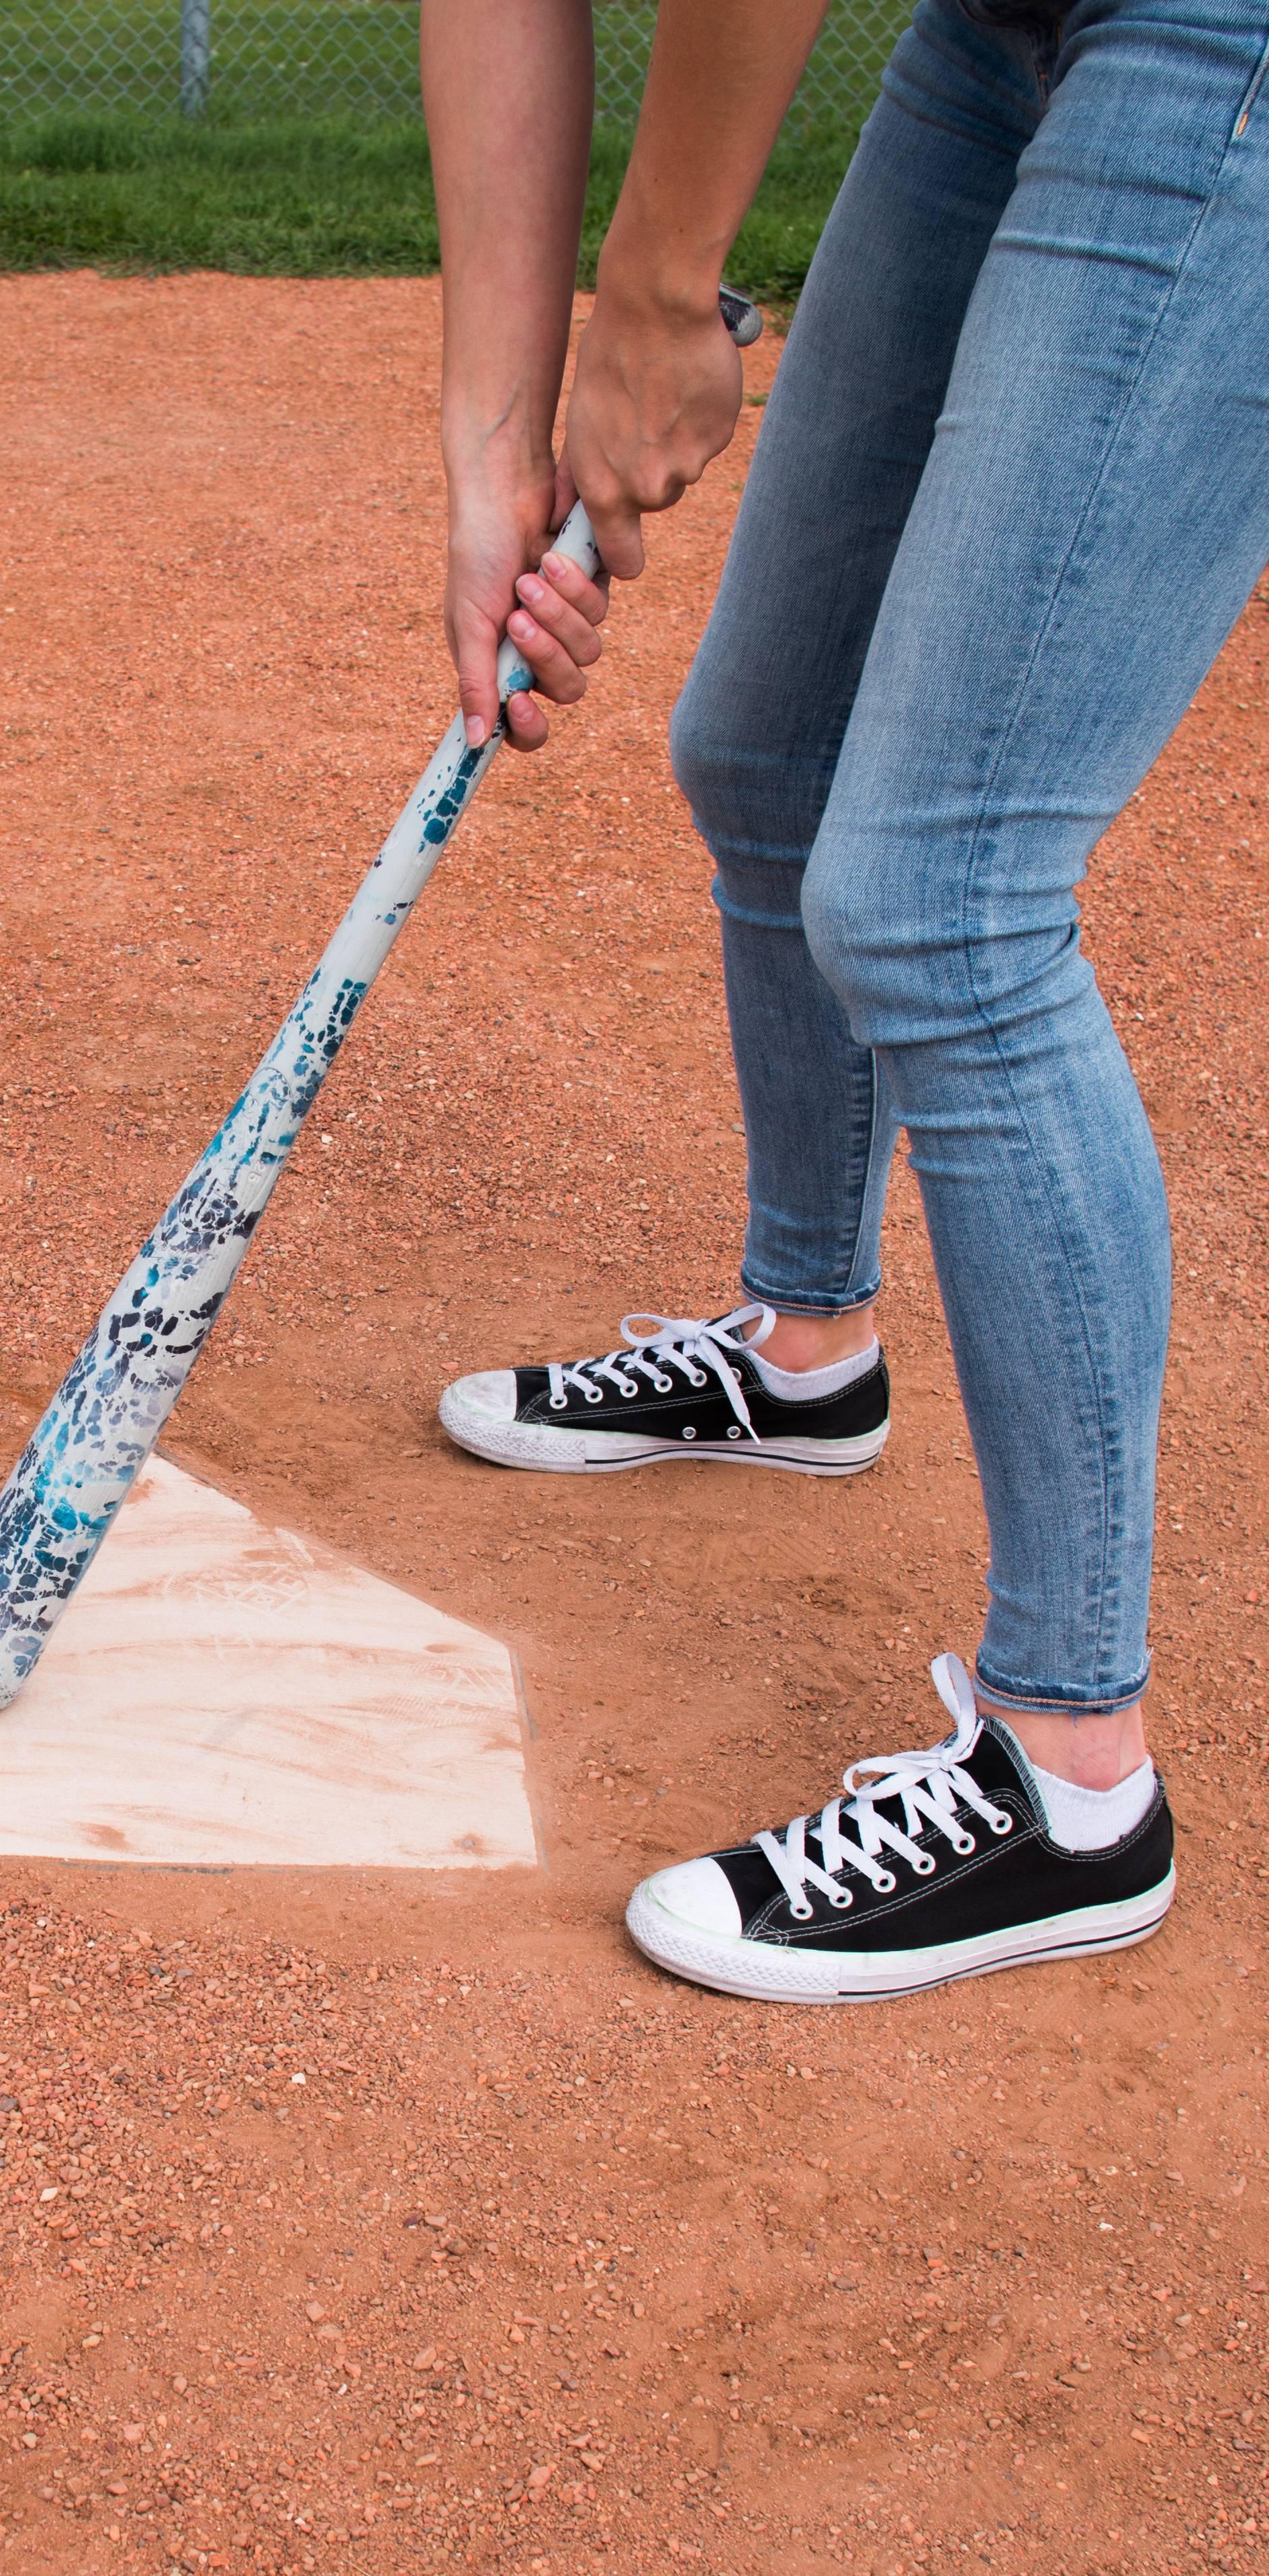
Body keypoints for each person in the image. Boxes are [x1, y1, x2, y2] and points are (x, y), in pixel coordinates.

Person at [421, 0, 1269, 1999]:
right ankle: (806, 1349)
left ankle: (1072, 1772)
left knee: (942, 895)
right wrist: (488, 456)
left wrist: (654, 293)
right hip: (1002, 24)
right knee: (767, 759)